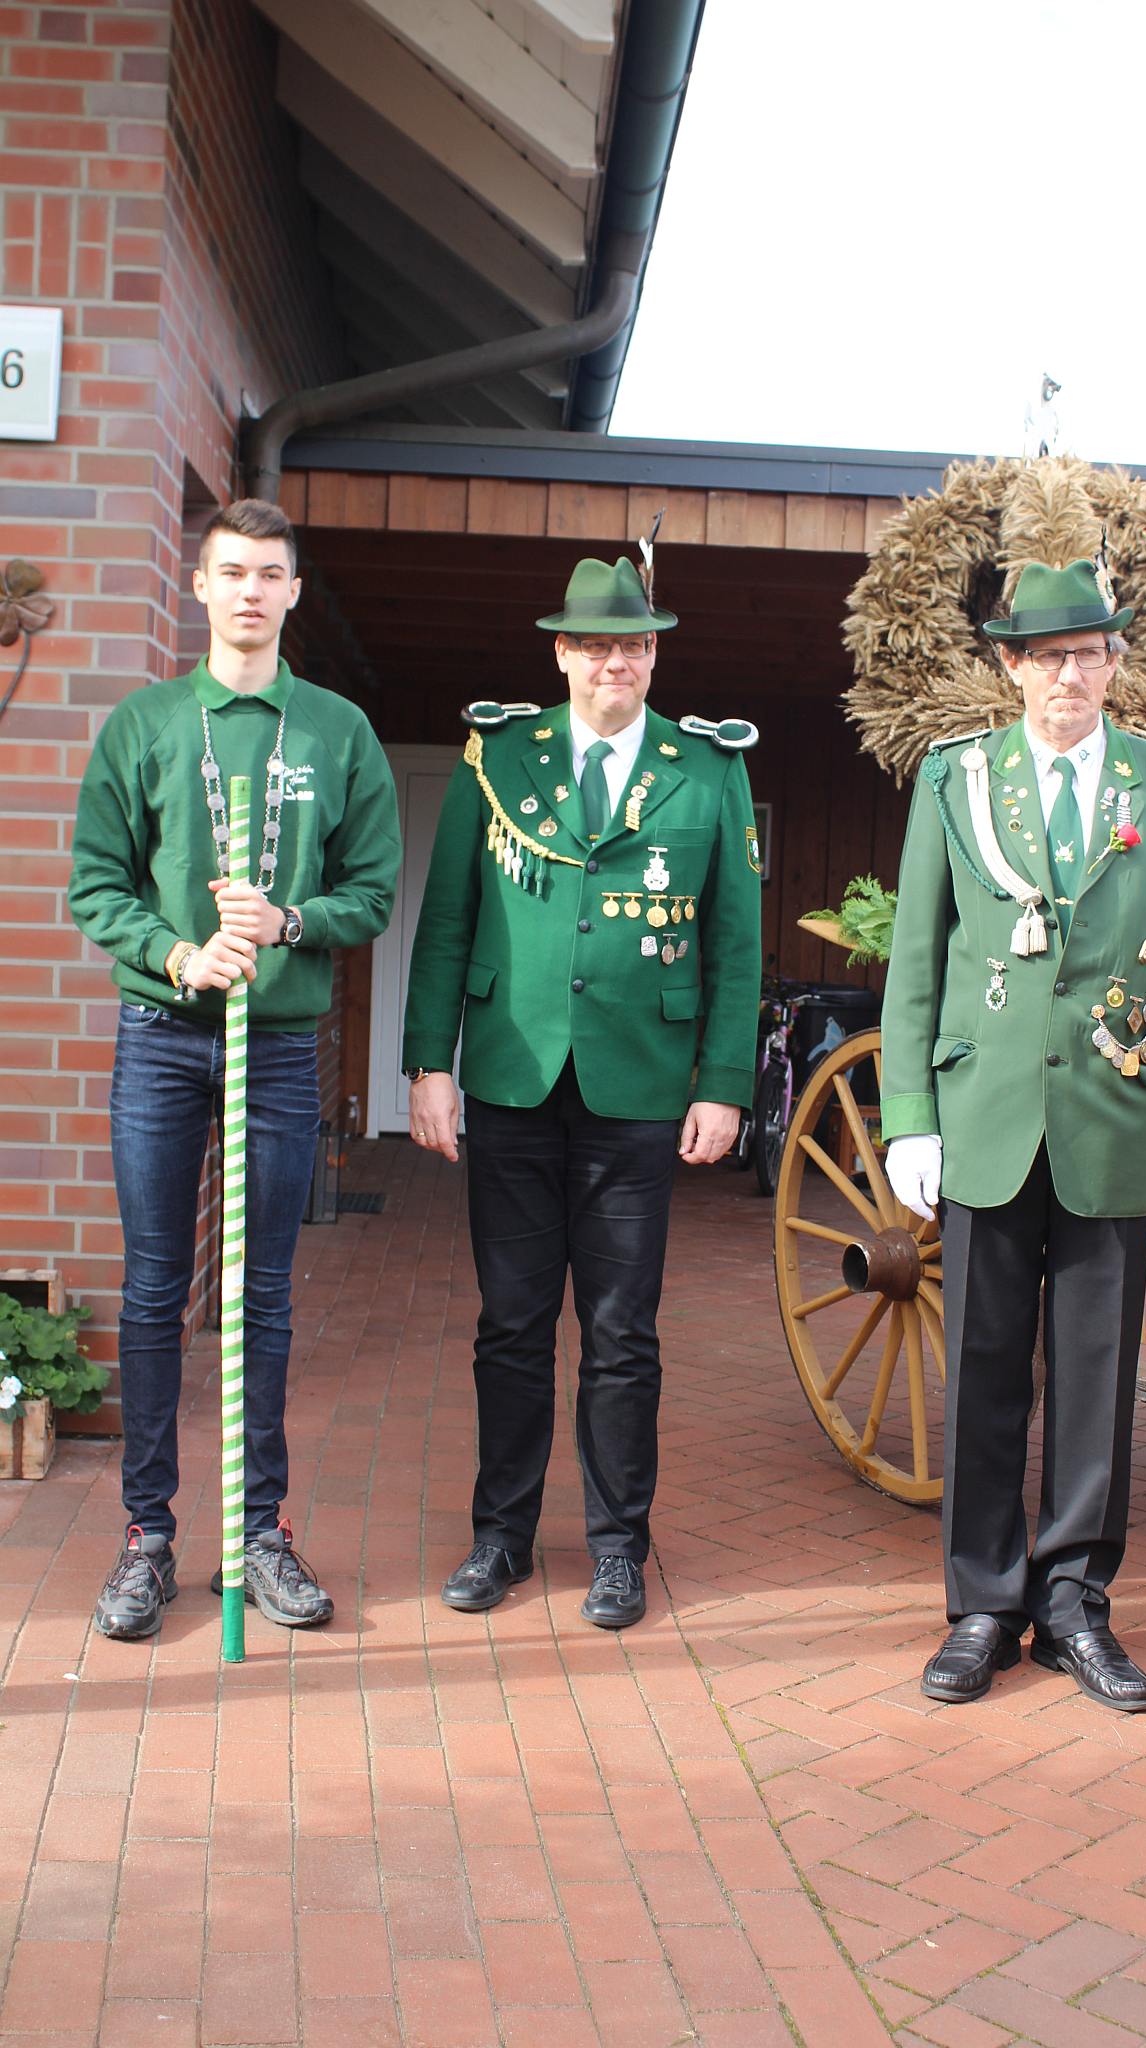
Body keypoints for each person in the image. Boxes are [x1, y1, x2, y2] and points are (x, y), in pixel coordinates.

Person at [881, 556, 1146, 1712]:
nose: (1065, 674)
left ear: (1114, 661)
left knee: (1095, 1377)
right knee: (984, 1369)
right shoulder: (957, 779)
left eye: (1085, 652)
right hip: (986, 1114)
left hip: (1115, 1117)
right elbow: (918, 958)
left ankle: (1074, 1602)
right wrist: (910, 1116)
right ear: (1011, 666)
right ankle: (983, 1603)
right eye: (1043, 655)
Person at [402, 554, 761, 1628]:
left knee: (621, 1332)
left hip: (640, 1083)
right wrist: (429, 1063)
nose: (619, 662)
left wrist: (723, 1084)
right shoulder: (498, 756)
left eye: (637, 645)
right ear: (561, 652)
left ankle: (617, 1548)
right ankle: (500, 1537)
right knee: (511, 1325)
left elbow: (736, 943)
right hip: (513, 1073)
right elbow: (448, 917)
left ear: (654, 655)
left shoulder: (707, 769)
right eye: (598, 644)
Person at [69, 497, 400, 1639]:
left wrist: (288, 921)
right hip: (164, 1033)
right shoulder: (148, 724)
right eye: (232, 571)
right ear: (200, 586)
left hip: (281, 1041)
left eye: (270, 573)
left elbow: (372, 890)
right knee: (156, 1284)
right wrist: (181, 952)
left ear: (293, 592)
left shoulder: (336, 730)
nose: (251, 590)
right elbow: (95, 882)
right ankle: (146, 1538)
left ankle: (259, 1533)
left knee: (262, 1293)